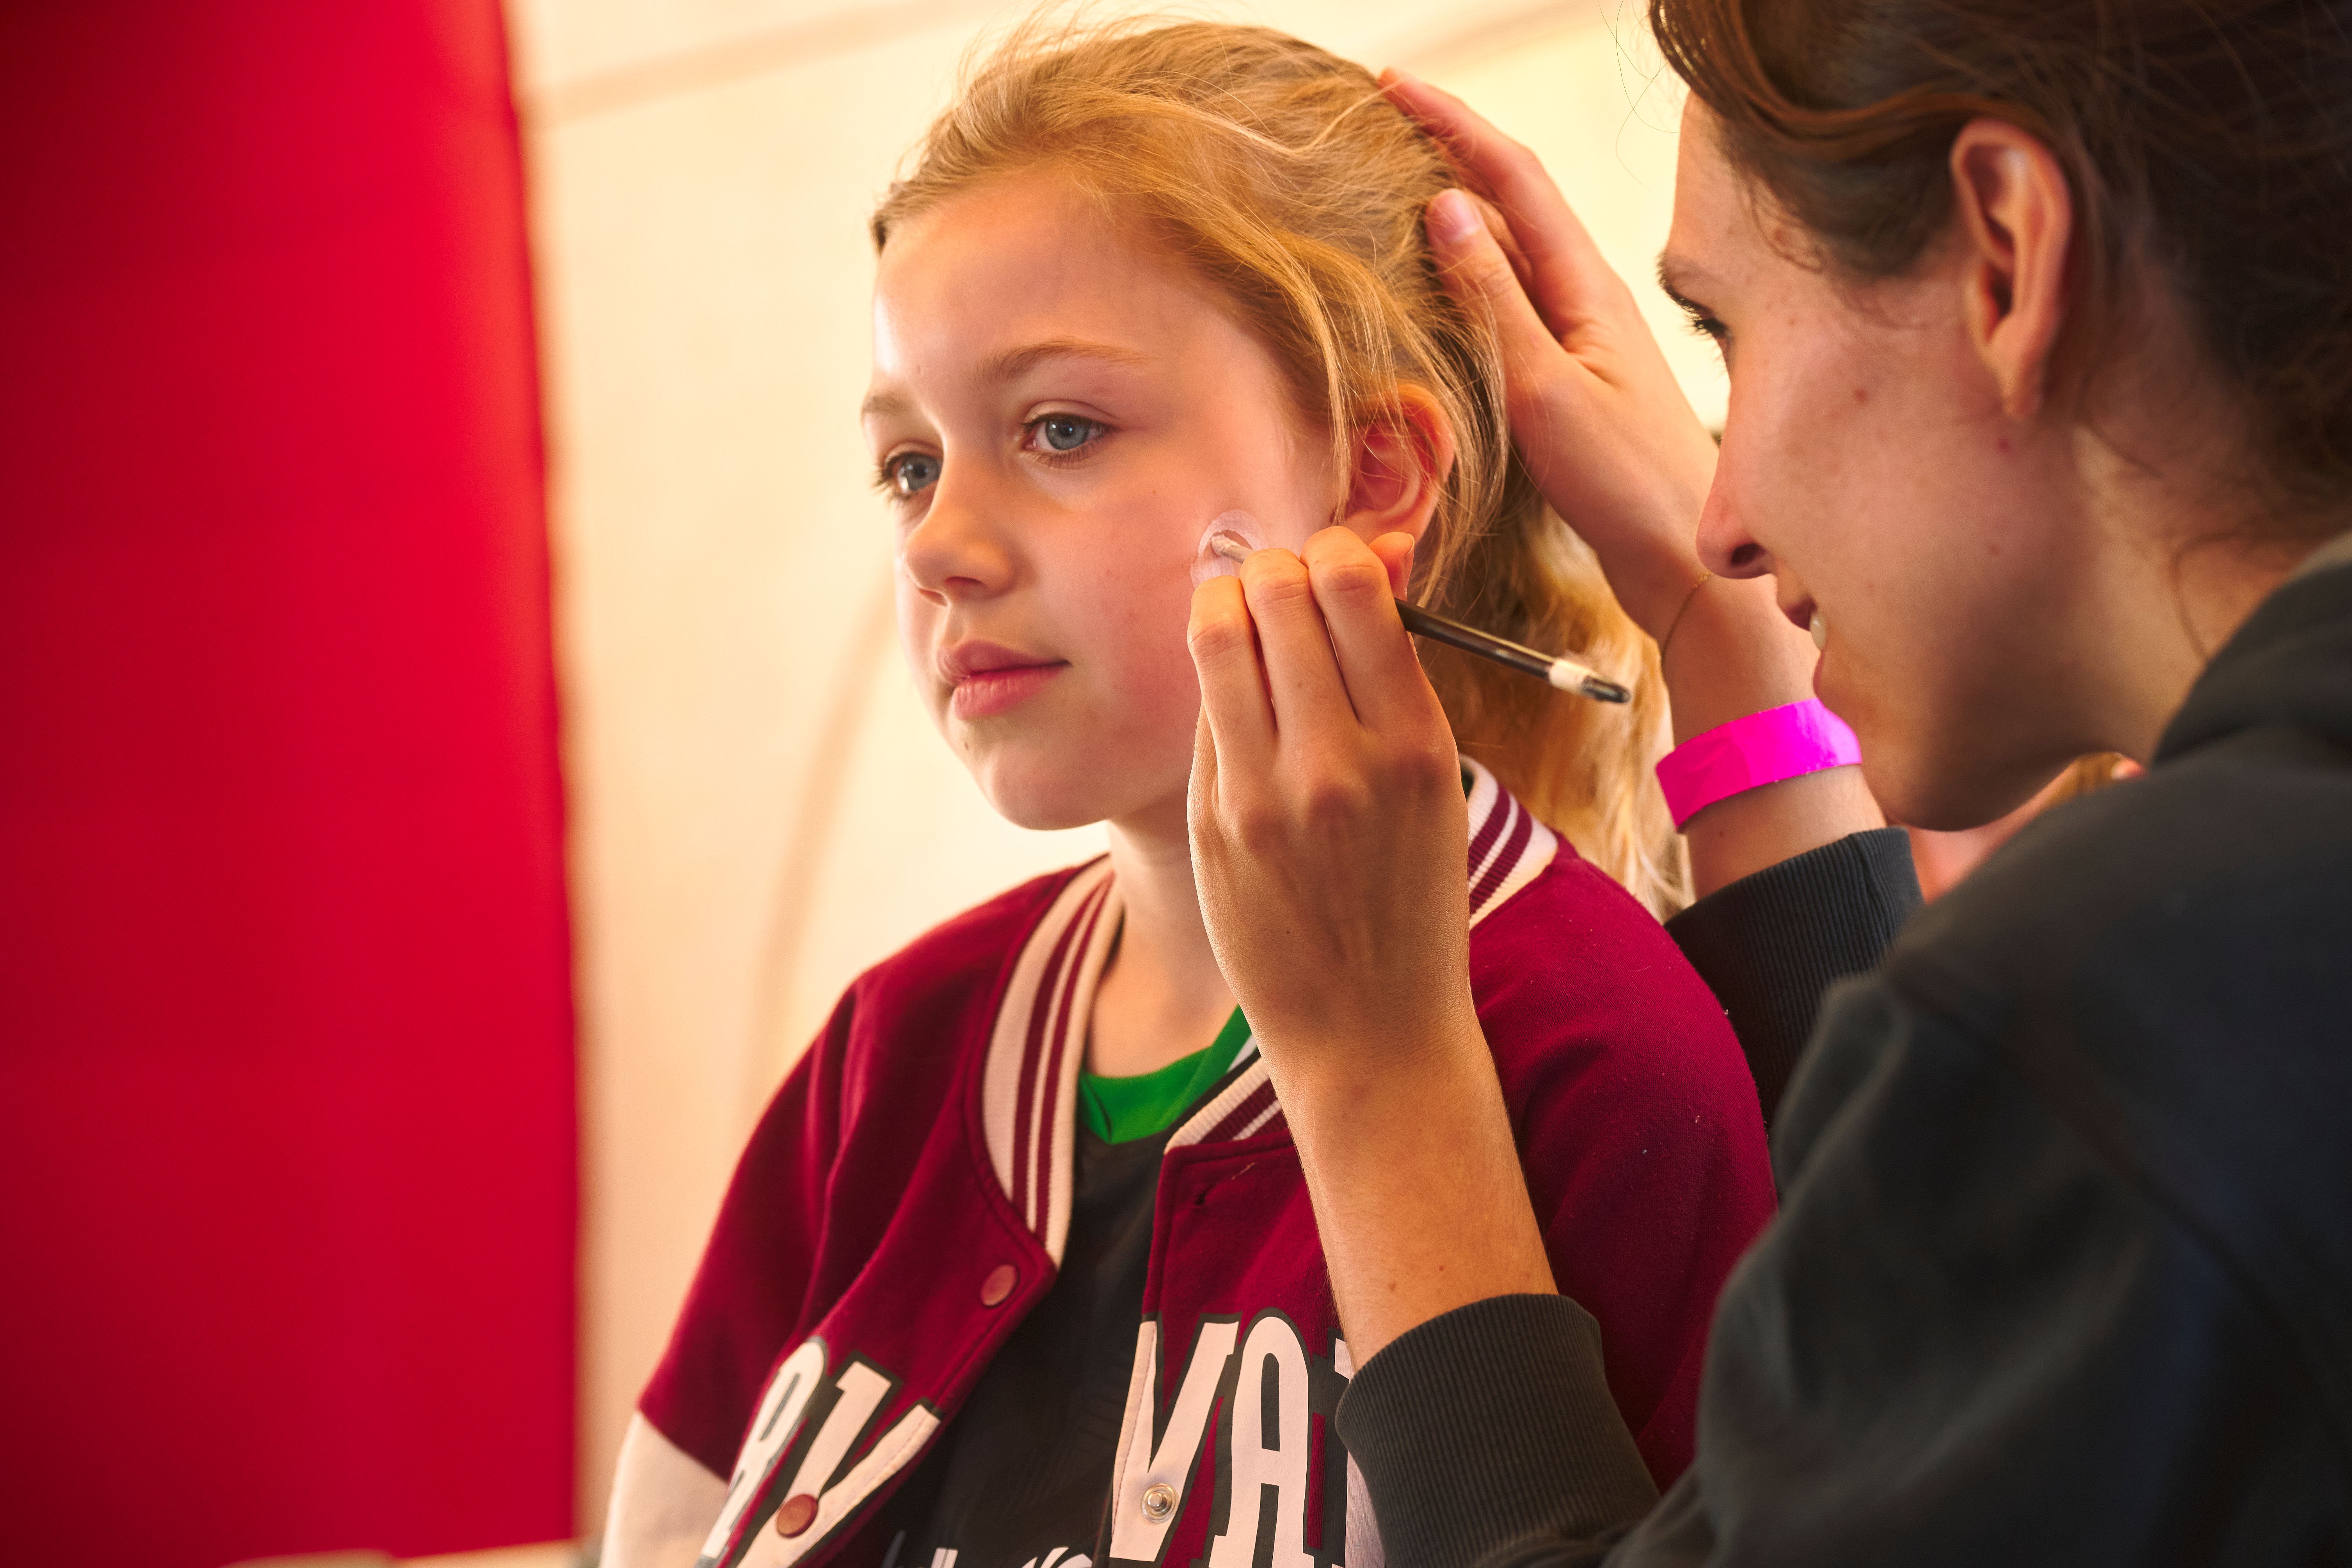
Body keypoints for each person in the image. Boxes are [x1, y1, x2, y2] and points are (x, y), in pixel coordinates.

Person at [596, 23, 1782, 1568]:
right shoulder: (892, 1053)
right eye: (905, 463)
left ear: (1371, 480)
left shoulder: (1600, 1048)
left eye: (1060, 429)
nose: (936, 543)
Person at [1183, 0, 2352, 1557]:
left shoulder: (2136, 996)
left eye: (1724, 333)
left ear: (2005, 256)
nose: (1718, 511)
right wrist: (1724, 638)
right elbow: (1919, 1360)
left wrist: (1381, 1070)